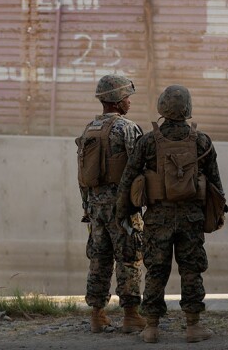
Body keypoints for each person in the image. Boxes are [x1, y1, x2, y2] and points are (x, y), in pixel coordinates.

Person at [116, 85, 224, 344]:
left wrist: (122, 212)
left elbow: (128, 178)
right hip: (191, 219)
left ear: (162, 107)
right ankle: (193, 326)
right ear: (187, 108)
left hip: (157, 218)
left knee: (156, 270)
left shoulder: (149, 140)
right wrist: (218, 215)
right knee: (191, 271)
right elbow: (215, 185)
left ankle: (151, 328)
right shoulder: (201, 140)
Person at [77, 74, 146, 334]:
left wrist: (87, 207)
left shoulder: (89, 128)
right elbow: (140, 168)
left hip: (95, 209)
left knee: (99, 260)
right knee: (129, 258)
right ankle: (131, 315)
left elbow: (82, 175)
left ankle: (97, 315)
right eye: (127, 97)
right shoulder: (127, 128)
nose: (129, 101)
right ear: (117, 100)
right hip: (122, 209)